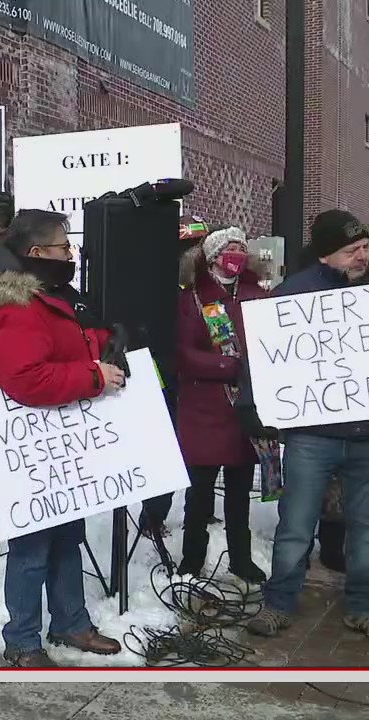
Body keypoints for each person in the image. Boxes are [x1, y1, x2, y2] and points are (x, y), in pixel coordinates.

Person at [0, 208, 124, 666]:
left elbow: (72, 345)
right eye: (63, 247)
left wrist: (105, 343)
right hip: (30, 457)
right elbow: (26, 379)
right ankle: (21, 640)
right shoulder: (17, 307)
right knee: (32, 550)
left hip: (58, 450)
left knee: (66, 538)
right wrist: (95, 375)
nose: (70, 254)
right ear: (38, 253)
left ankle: (70, 621)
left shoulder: (55, 299)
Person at [244, 209, 369, 639]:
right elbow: (260, 358)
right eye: (352, 250)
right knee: (296, 525)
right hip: (312, 436)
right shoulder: (291, 295)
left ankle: (362, 606)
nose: (362, 256)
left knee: (366, 528)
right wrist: (254, 407)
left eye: (366, 248)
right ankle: (279, 602)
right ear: (325, 255)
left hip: (365, 434)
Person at [174, 227, 270, 583]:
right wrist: (226, 366)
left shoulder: (255, 296)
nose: (236, 255)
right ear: (212, 257)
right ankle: (192, 559)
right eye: (229, 249)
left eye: (241, 249)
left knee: (239, 492)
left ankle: (241, 559)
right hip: (204, 411)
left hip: (243, 411)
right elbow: (183, 353)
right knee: (199, 494)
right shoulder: (192, 298)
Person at [140, 214, 215, 539]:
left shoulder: (206, 287)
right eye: (191, 247)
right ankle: (153, 516)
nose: (196, 253)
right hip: (168, 380)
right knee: (167, 449)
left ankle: (200, 511)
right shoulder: (156, 286)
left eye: (199, 247)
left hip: (201, 379)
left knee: (201, 450)